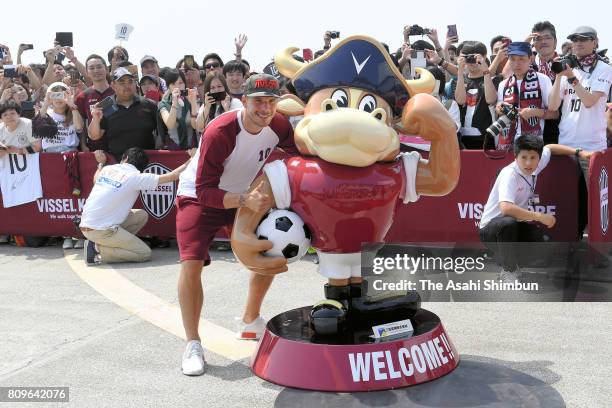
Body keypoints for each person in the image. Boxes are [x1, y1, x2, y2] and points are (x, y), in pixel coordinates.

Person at [175, 73, 298, 376]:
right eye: (258, 102)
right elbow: (205, 190)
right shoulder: (221, 131)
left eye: (271, 102)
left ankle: (250, 320)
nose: (265, 109)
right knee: (191, 264)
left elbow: (300, 153)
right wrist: (244, 199)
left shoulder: (278, 123)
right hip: (198, 196)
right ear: (244, 101)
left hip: (242, 195)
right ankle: (192, 344)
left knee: (268, 253)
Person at [479, 135, 593, 283]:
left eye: (533, 158)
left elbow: (550, 148)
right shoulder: (509, 174)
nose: (528, 162)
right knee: (508, 223)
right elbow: (506, 208)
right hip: (491, 230)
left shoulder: (537, 162)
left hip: (514, 227)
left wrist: (579, 152)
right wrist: (539, 216)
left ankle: (505, 258)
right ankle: (508, 269)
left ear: (539, 157)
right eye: (524, 157)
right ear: (516, 156)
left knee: (543, 244)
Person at [80, 147, 190, 265]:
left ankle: (106, 243)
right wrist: (193, 158)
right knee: (144, 253)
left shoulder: (108, 169)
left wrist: (100, 163)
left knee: (141, 215)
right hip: (101, 230)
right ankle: (96, 249)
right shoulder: (136, 177)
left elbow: (95, 179)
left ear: (125, 158)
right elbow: (173, 176)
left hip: (86, 225)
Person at [88, 67, 157, 161]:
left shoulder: (149, 105)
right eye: (122, 82)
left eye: (130, 81)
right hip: (118, 164)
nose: (127, 85)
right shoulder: (106, 106)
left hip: (148, 163)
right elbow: (95, 136)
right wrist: (95, 119)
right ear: (113, 85)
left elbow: (161, 133)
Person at [495, 42, 555, 149]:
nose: (517, 63)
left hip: (533, 145)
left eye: (521, 59)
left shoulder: (543, 80)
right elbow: (500, 113)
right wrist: (499, 109)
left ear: (530, 59)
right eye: (512, 59)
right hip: (507, 145)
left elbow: (555, 113)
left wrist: (535, 112)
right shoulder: (503, 84)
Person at [455, 41, 499, 149]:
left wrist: (485, 71)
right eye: (468, 57)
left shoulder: (493, 79)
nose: (471, 61)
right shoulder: (459, 81)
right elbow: (460, 101)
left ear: (483, 57)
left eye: (475, 57)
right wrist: (460, 71)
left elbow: (491, 100)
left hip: (485, 138)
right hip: (463, 139)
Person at [74, 54, 115, 152]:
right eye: (91, 68)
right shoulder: (82, 97)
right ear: (87, 72)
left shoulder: (117, 92)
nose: (96, 70)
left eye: (99, 67)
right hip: (94, 148)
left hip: (118, 145)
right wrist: (83, 144)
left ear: (106, 69)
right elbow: (82, 124)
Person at [157, 69, 198, 150]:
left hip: (192, 147)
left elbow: (196, 125)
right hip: (174, 147)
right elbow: (170, 124)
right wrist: (174, 103)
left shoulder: (190, 99)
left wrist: (193, 103)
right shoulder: (163, 103)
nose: (177, 87)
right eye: (173, 84)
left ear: (184, 84)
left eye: (180, 83)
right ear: (168, 86)